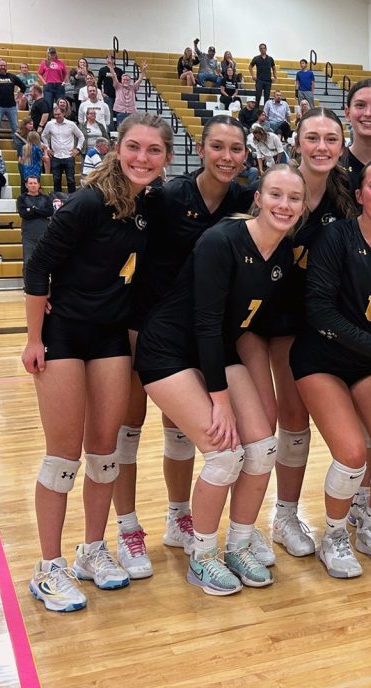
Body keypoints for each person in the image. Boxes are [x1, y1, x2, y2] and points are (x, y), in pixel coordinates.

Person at [21, 113, 172, 613]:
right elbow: (38, 267)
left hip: (110, 337)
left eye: (153, 150)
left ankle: (91, 550)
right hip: (63, 335)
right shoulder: (87, 202)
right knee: (63, 458)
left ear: (166, 157)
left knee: (105, 453)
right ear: (116, 149)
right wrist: (34, 339)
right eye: (134, 147)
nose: (142, 158)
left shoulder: (148, 206)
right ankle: (49, 567)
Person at [134, 165, 302, 595]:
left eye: (294, 198)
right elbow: (206, 325)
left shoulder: (282, 252)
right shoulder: (220, 241)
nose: (284, 205)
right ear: (258, 198)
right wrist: (221, 401)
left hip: (216, 352)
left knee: (262, 449)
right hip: (168, 351)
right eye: (276, 195)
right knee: (225, 456)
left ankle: (239, 545)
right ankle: (203, 555)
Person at [113, 115, 257, 579]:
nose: (226, 157)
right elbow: (116, 240)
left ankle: (179, 516)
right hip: (140, 324)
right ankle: (127, 527)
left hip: (194, 332)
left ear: (245, 155)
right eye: (217, 147)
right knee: (127, 429)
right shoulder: (168, 196)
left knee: (180, 428)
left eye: (235, 149)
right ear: (200, 149)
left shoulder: (242, 199)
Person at [290, 159, 371, 578]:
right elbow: (319, 311)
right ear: (360, 195)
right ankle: (332, 536)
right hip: (321, 359)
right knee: (351, 455)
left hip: (368, 363)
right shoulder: (336, 237)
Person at [238, 108, 356, 561]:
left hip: (299, 322)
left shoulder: (344, 200)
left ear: (341, 146)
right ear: (297, 142)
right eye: (313, 138)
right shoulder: (277, 187)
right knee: (259, 425)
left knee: (293, 417)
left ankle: (285, 515)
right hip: (251, 318)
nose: (322, 147)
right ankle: (242, 528)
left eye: (331, 139)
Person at [41, 105, 84, 194]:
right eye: (55, 114)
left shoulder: (71, 124)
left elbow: (81, 136)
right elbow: (43, 135)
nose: (57, 116)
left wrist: (78, 149)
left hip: (69, 156)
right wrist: (47, 148)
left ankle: (72, 198)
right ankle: (58, 199)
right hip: (56, 156)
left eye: (59, 114)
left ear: (64, 113)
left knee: (71, 180)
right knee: (56, 180)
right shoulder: (50, 124)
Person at [17, 175, 54, 269]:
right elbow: (23, 213)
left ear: (39, 184)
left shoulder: (46, 198)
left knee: (45, 262)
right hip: (28, 235)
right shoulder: (21, 198)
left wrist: (33, 210)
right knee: (28, 261)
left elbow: (50, 211)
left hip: (44, 234)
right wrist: (41, 212)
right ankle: (28, 279)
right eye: (30, 183)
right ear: (26, 185)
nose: (33, 185)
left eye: (35, 183)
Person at [109, 60, 146, 130]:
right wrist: (111, 67)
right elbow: (114, 76)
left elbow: (139, 80)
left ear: (130, 81)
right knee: (121, 129)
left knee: (131, 129)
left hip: (131, 112)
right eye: (124, 80)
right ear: (121, 80)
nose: (125, 81)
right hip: (120, 111)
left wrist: (143, 70)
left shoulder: (133, 88)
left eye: (127, 80)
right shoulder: (118, 86)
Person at [97, 54, 124, 121]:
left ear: (114, 60)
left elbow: (122, 83)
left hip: (118, 95)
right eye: (107, 58)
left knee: (118, 114)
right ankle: (110, 127)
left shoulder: (119, 70)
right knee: (109, 114)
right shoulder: (102, 70)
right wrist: (102, 93)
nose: (109, 60)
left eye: (111, 59)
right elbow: (99, 83)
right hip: (107, 95)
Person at [249, 43, 276, 108]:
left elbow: (274, 67)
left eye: (264, 48)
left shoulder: (270, 59)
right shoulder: (256, 58)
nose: (262, 49)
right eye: (261, 48)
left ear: (266, 49)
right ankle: (256, 111)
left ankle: (265, 112)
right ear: (259, 50)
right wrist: (253, 75)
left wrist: (275, 76)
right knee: (258, 96)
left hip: (268, 81)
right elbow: (250, 67)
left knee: (267, 98)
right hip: (259, 80)